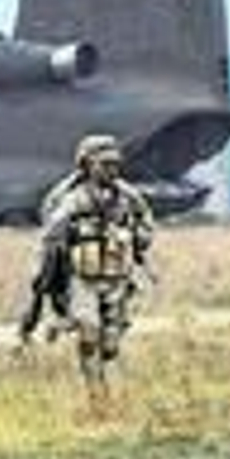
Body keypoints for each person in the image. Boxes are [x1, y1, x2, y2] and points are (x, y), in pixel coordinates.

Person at [35, 135, 154, 398]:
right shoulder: (74, 198)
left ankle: (107, 373)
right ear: (88, 165)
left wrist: (137, 237)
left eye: (114, 164)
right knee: (89, 331)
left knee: (110, 343)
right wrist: (66, 239)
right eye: (104, 164)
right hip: (83, 276)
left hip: (117, 275)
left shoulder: (127, 197)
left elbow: (146, 221)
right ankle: (96, 390)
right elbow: (52, 227)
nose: (111, 170)